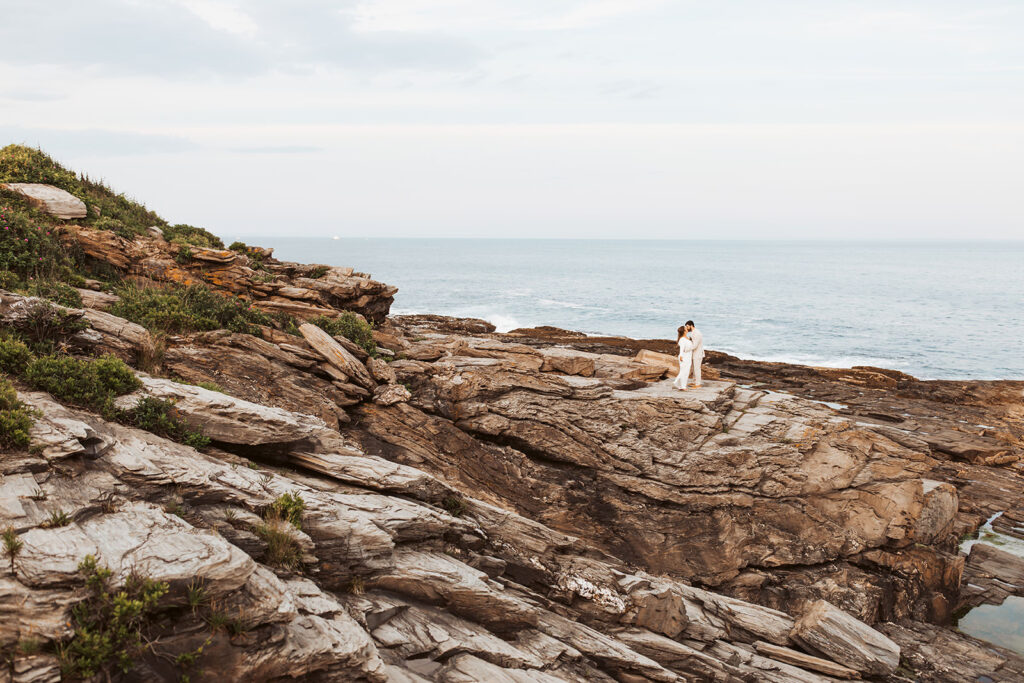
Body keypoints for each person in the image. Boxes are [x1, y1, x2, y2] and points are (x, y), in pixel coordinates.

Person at [673, 325, 694, 390]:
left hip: (688, 356)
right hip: (684, 356)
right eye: (685, 328)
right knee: (683, 371)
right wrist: (681, 356)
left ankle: (681, 385)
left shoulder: (687, 338)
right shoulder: (682, 339)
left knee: (686, 371)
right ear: (684, 331)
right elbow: (681, 349)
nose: (687, 329)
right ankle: (679, 384)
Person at [685, 320, 704, 388]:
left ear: (691, 325)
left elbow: (694, 345)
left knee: (697, 369)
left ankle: (698, 384)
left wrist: (686, 349)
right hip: (694, 354)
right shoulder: (693, 332)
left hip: (698, 354)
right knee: (694, 369)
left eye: (687, 326)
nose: (686, 328)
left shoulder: (696, 333)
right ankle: (694, 382)